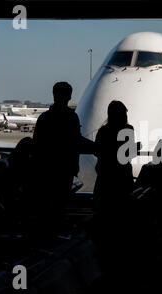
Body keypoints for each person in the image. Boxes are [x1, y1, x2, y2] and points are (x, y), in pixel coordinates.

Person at [31, 82, 94, 228]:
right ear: (70, 96)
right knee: (60, 206)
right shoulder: (71, 117)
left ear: (54, 95)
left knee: (47, 209)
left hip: (45, 170)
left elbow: (37, 145)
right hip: (64, 170)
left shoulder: (44, 118)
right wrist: (97, 147)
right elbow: (76, 141)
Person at [93, 100, 137, 208]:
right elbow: (129, 154)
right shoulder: (128, 129)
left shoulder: (103, 131)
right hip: (123, 175)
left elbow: (96, 151)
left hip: (105, 174)